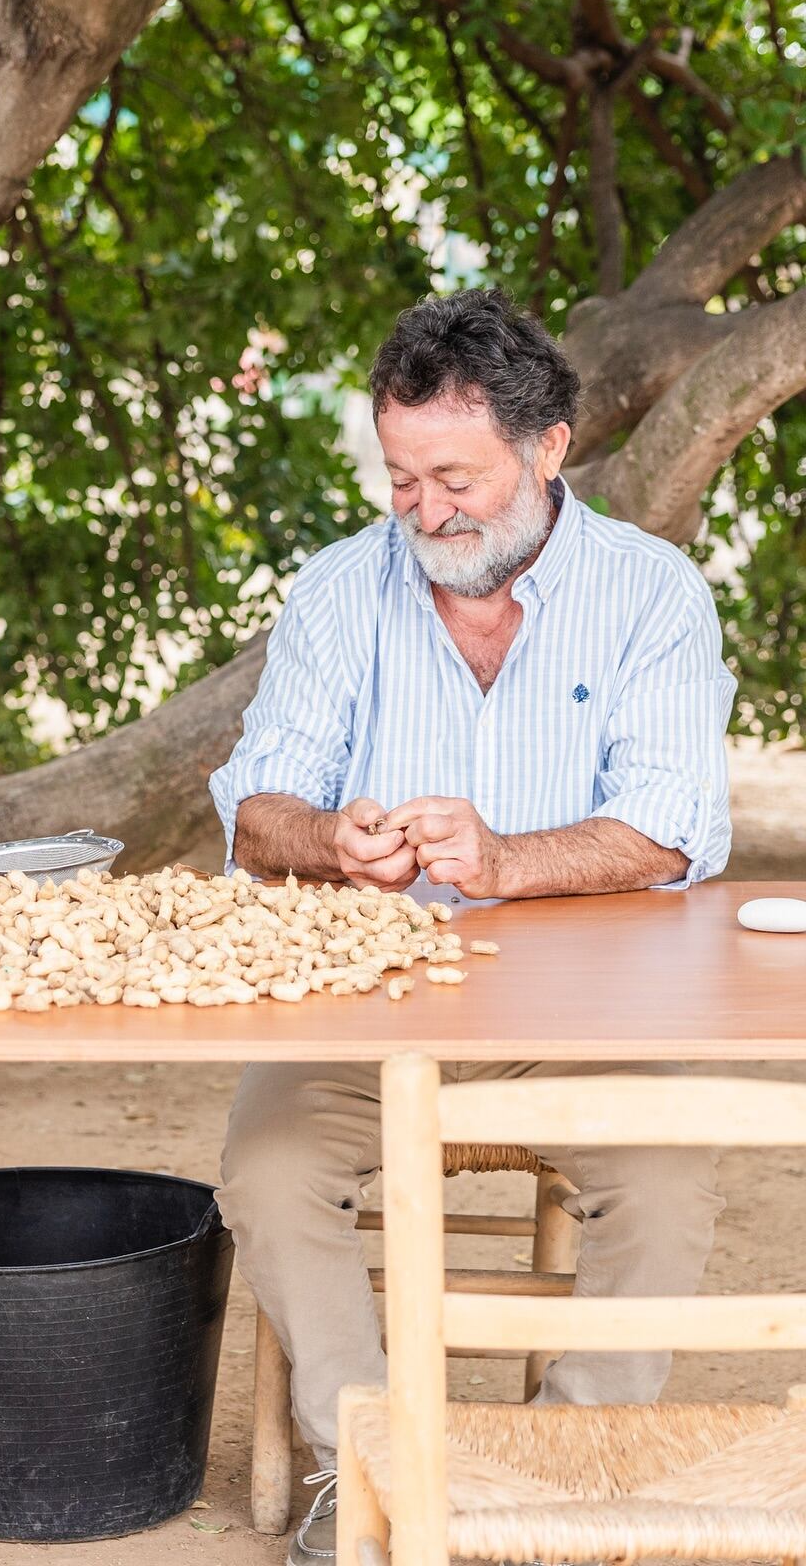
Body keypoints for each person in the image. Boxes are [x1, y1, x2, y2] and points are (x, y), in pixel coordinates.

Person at [208, 287, 734, 1565]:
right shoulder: (340, 592)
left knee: (669, 1185)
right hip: (368, 1013)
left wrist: (505, 862)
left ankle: (555, 1470)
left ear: (549, 447)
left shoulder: (655, 596)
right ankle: (376, 1467)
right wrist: (328, 837)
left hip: (585, 1019)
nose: (426, 512)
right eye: (401, 480)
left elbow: (673, 829)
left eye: (456, 477)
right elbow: (250, 806)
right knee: (268, 1170)